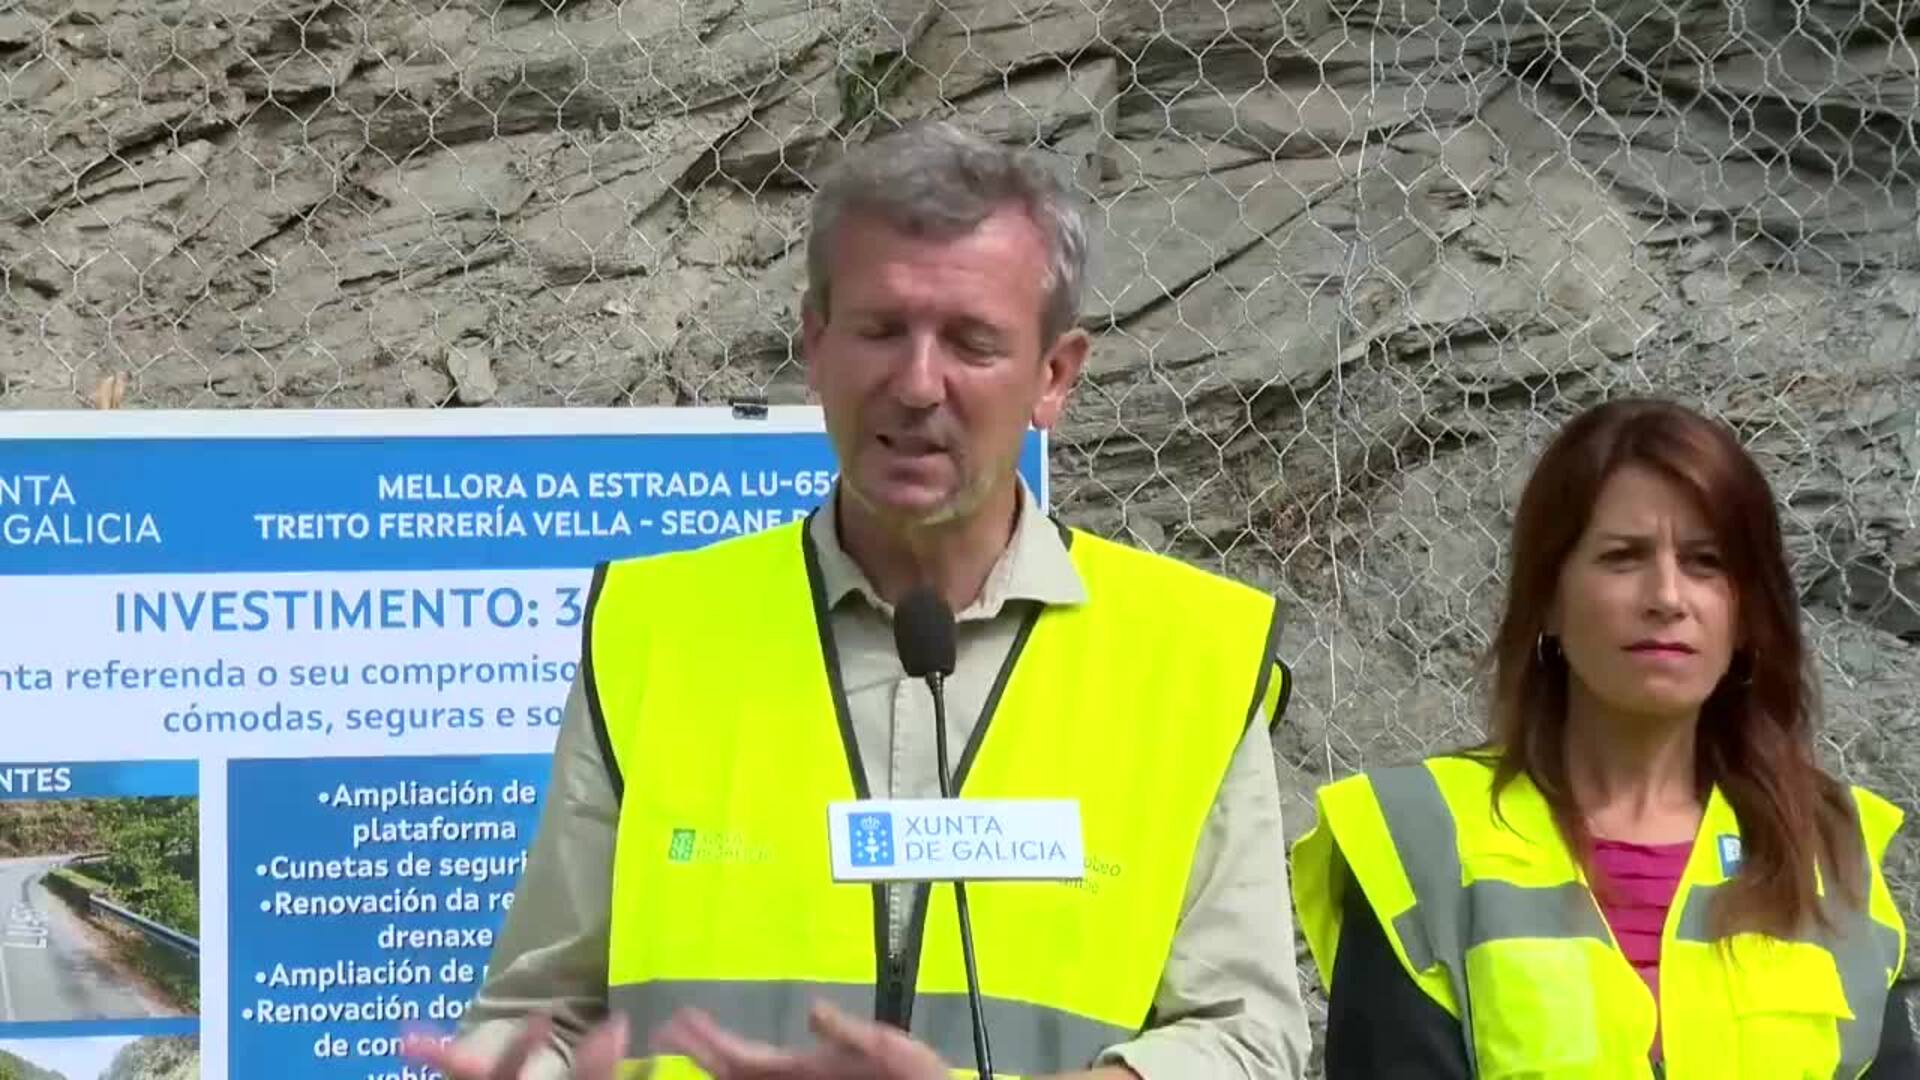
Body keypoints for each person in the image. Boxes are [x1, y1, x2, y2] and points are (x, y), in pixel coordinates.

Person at [402, 119, 1314, 1080]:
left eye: (971, 343)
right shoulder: (658, 630)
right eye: (881, 331)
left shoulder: (1192, 656)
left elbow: (1246, 1038)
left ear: (1054, 377)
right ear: (815, 345)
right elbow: (543, 1017)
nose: (917, 386)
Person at [1289, 397, 1918, 1078]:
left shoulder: (1831, 847)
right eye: (1623, 557)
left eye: (1706, 562)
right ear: (1548, 600)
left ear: (1746, 614)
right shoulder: (1420, 841)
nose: (1667, 597)